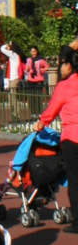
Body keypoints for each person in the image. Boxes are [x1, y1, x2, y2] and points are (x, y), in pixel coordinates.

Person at [35, 47, 78, 234]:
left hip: (73, 137)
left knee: (75, 180)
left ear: (68, 65)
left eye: (62, 64)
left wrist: (41, 123)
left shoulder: (65, 86)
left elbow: (51, 111)